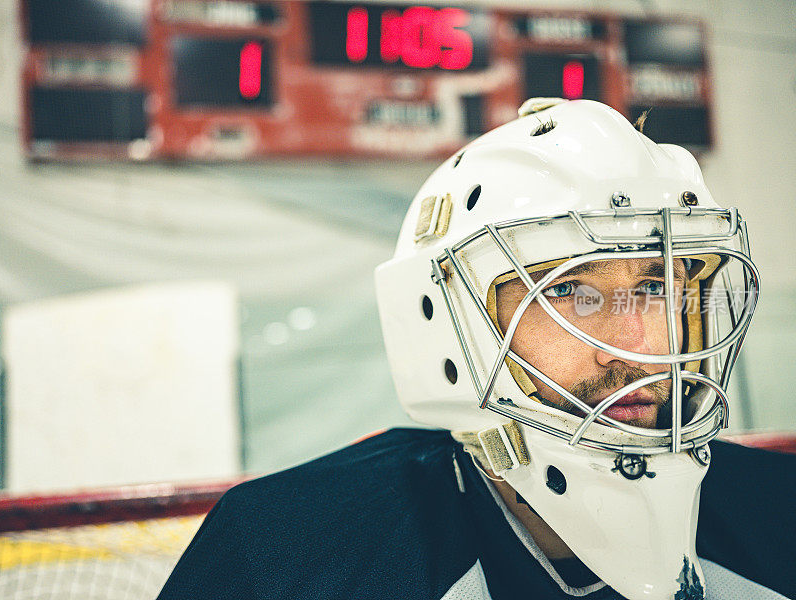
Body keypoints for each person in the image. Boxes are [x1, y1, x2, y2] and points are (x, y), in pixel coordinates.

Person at [157, 99, 795, 600]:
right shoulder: (279, 553)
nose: (636, 349)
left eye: (655, 287)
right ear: (446, 320)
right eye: (569, 289)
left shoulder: (782, 517)